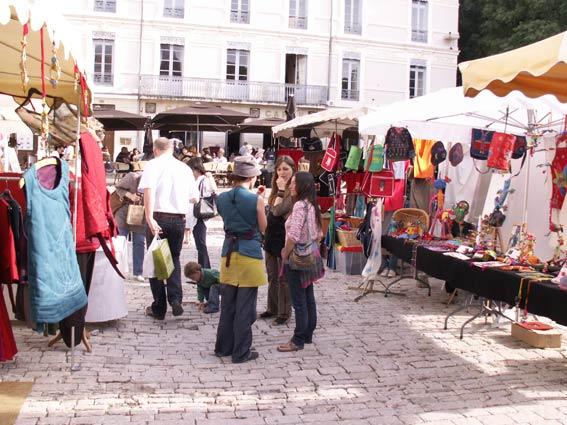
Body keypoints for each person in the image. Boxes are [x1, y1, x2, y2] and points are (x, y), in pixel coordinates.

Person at [138, 137, 199, 319]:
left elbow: (148, 191)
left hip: (159, 216)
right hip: (179, 219)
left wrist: (149, 217)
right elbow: (194, 197)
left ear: (156, 150)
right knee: (173, 258)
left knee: (157, 260)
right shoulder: (184, 168)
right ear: (172, 150)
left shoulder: (152, 165)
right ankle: (175, 299)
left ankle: (159, 306)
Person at [214, 156, 267, 363]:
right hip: (249, 253)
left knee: (228, 305)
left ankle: (223, 347)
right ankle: (241, 352)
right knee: (245, 307)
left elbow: (227, 219)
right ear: (252, 178)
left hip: (229, 253)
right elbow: (263, 228)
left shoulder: (221, 198)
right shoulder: (256, 200)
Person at [278, 172, 324, 352]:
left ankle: (298, 339)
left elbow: (294, 234)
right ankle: (307, 334)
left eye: (294, 183)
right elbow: (318, 233)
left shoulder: (299, 206)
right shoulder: (312, 205)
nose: (290, 185)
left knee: (299, 300)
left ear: (302, 186)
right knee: (308, 297)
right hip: (311, 256)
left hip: (297, 258)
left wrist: (285, 253)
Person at [259, 155, 295, 325]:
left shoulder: (294, 190)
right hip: (271, 236)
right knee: (272, 276)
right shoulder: (275, 189)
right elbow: (270, 211)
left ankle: (284, 312)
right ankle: (272, 307)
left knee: (283, 278)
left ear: (292, 170)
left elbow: (278, 210)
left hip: (284, 237)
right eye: (279, 169)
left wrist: (281, 190)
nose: (282, 172)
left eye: (286, 169)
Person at [114, 170, 146, 282]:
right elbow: (118, 187)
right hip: (124, 213)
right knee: (120, 242)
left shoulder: (154, 182)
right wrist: (130, 195)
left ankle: (138, 272)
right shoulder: (132, 177)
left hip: (141, 215)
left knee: (140, 242)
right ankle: (118, 269)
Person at [187, 157, 217, 268]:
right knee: (200, 245)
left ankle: (205, 270)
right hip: (197, 214)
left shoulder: (204, 180)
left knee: (201, 244)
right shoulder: (197, 180)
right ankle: (203, 269)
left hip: (201, 215)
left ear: (196, 169)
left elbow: (210, 192)